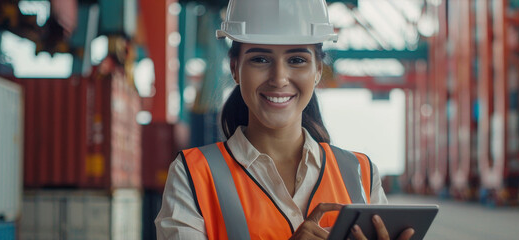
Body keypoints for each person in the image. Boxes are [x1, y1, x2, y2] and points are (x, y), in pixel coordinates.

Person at [155, 0, 414, 239]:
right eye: (260, 59)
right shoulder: (193, 175)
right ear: (235, 68)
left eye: (297, 60)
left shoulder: (361, 174)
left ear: (317, 71)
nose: (279, 78)